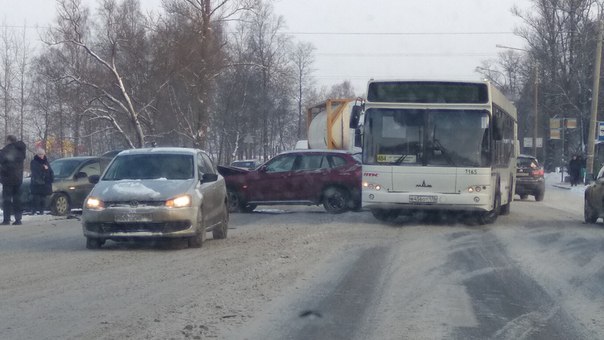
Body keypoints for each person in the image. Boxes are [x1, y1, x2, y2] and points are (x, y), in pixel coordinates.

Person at [0, 135, 26, 225]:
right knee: (17, 199)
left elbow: (1, 161)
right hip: (18, 179)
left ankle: (6, 219)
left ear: (8, 141)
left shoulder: (5, 150)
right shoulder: (21, 150)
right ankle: (18, 219)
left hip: (8, 179)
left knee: (7, 200)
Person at [30, 148, 54, 215]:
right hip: (37, 184)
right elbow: (36, 172)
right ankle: (34, 211)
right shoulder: (34, 162)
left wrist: (50, 177)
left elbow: (50, 171)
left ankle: (41, 211)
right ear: (37, 154)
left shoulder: (46, 162)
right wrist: (44, 169)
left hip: (45, 183)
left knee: (43, 198)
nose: (41, 156)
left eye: (42, 154)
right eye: (40, 154)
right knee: (36, 198)